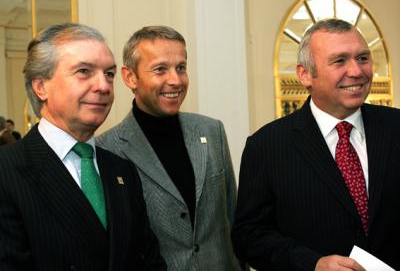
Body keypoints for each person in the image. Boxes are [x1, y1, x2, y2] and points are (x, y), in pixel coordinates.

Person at [232, 18, 400, 271]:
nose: (356, 71)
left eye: (363, 58)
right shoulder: (267, 146)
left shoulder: (396, 127)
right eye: (339, 60)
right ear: (305, 74)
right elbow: (250, 236)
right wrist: (313, 264)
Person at [0, 23, 166, 271]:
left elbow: (149, 261)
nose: (103, 86)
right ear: (41, 87)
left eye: (109, 74)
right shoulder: (6, 169)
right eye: (84, 71)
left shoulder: (122, 170)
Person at [96, 25, 242, 270]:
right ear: (130, 77)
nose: (175, 80)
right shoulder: (107, 149)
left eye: (181, 68)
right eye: (160, 69)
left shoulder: (211, 131)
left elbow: (233, 216)